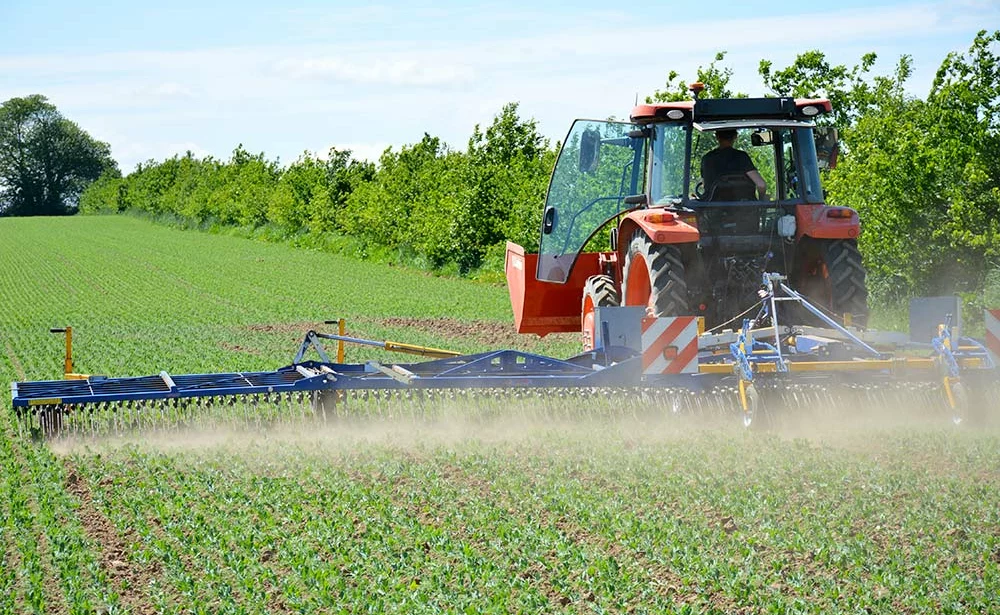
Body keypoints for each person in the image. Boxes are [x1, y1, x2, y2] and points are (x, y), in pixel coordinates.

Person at [700, 129, 768, 200]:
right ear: (735, 136)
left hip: (711, 207)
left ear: (717, 137)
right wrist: (761, 200)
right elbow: (761, 185)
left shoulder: (707, 158)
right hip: (744, 208)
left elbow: (705, 184)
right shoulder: (742, 157)